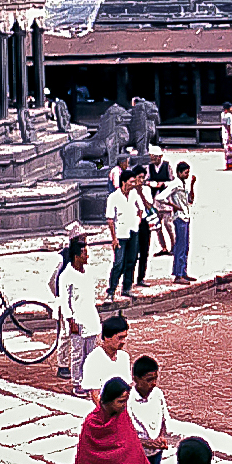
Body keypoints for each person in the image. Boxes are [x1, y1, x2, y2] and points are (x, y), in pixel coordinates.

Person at [127, 354, 178, 464]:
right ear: (136, 379)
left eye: (155, 378)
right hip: (137, 455)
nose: (154, 383)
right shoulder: (128, 401)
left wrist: (160, 437)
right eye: (149, 380)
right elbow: (127, 435)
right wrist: (148, 443)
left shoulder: (158, 394)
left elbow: (163, 419)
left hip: (155, 453)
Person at [55, 237, 100, 394]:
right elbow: (65, 302)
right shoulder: (66, 276)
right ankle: (77, 383)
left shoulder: (88, 272)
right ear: (76, 256)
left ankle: (88, 380)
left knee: (89, 355)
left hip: (91, 319)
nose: (87, 257)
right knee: (77, 355)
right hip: (77, 321)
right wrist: (70, 320)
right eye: (85, 254)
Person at [106, 170, 146, 300]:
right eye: (131, 181)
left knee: (131, 260)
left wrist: (137, 222)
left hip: (133, 231)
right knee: (118, 263)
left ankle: (127, 288)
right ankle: (111, 290)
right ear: (124, 182)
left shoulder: (134, 194)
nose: (134, 184)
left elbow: (141, 209)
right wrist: (114, 238)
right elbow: (110, 219)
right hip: (120, 233)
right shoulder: (113, 197)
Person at [159, 161, 197, 284]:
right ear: (179, 173)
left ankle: (183, 272)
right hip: (179, 217)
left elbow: (190, 200)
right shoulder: (174, 184)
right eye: (185, 173)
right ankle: (178, 274)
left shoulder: (184, 184)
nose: (187, 175)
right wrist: (173, 205)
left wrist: (192, 185)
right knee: (180, 246)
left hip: (186, 216)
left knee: (185, 246)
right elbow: (160, 197)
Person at [81, 315, 133, 404]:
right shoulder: (93, 359)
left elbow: (127, 388)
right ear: (107, 337)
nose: (123, 341)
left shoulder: (124, 357)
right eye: (120, 338)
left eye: (125, 337)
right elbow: (95, 395)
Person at [220, 103, 232, 170]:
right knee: (230, 149)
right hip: (229, 133)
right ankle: (230, 165)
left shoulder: (222, 114)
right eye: (231, 108)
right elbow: (228, 126)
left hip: (224, 133)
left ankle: (228, 164)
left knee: (227, 149)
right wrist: (230, 135)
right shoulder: (228, 116)